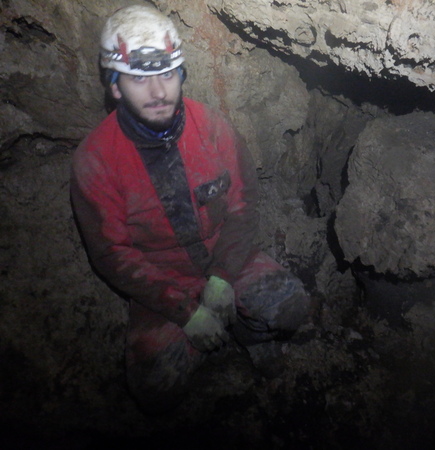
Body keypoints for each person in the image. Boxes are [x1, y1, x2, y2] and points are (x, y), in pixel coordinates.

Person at [70, 5, 310, 413]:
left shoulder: (211, 126)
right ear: (115, 87)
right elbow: (112, 254)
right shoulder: (95, 160)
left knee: (292, 306)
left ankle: (248, 335)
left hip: (225, 257)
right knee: (154, 387)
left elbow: (243, 202)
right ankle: (206, 340)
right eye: (138, 79)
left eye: (167, 75)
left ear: (181, 74)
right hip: (163, 281)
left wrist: (222, 276)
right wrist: (185, 312)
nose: (158, 92)